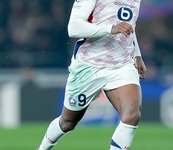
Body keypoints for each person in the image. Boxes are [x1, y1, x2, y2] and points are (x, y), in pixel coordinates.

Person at [37, 0, 146, 150]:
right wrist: (110, 28)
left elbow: (128, 25)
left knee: (132, 115)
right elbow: (74, 27)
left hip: (122, 65)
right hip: (89, 65)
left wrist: (137, 55)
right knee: (67, 122)